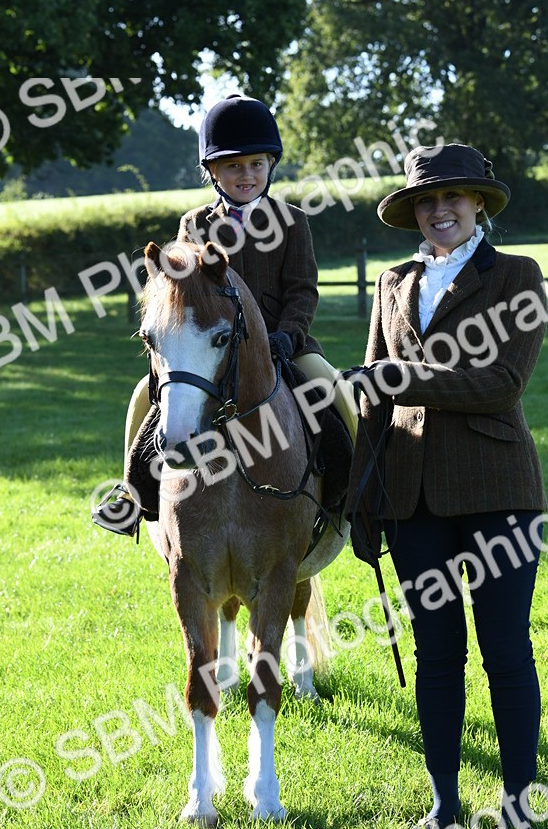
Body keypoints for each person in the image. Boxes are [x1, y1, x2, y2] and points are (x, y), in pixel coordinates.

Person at [345, 142, 548, 829]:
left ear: (480, 205)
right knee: (437, 656)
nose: (440, 211)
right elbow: (372, 398)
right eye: (427, 201)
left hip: (499, 493)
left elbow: (503, 384)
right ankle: (445, 802)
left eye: (453, 198)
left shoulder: (517, 276)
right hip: (409, 499)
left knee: (505, 649)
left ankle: (520, 799)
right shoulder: (392, 283)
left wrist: (402, 379)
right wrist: (361, 502)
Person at [94, 93, 357, 535]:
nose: (247, 175)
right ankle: (131, 496)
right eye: (234, 166)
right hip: (212, 350)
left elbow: (303, 291)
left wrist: (289, 336)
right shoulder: (195, 224)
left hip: (285, 347)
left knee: (336, 392)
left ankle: (358, 500)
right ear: (212, 172)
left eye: (256, 164)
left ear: (270, 166)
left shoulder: (292, 221)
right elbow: (184, 292)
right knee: (144, 393)